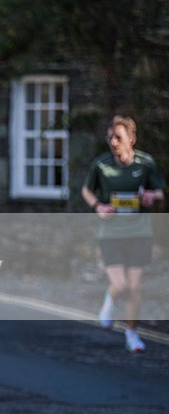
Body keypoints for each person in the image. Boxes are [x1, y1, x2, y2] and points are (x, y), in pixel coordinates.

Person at [81, 115, 165, 353]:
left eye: (118, 137)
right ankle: (110, 299)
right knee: (120, 284)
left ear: (132, 139)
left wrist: (151, 196)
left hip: (139, 232)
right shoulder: (102, 165)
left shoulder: (145, 164)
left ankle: (131, 333)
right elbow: (86, 190)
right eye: (110, 138)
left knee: (135, 287)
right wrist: (98, 206)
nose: (113, 142)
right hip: (111, 234)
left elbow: (159, 192)